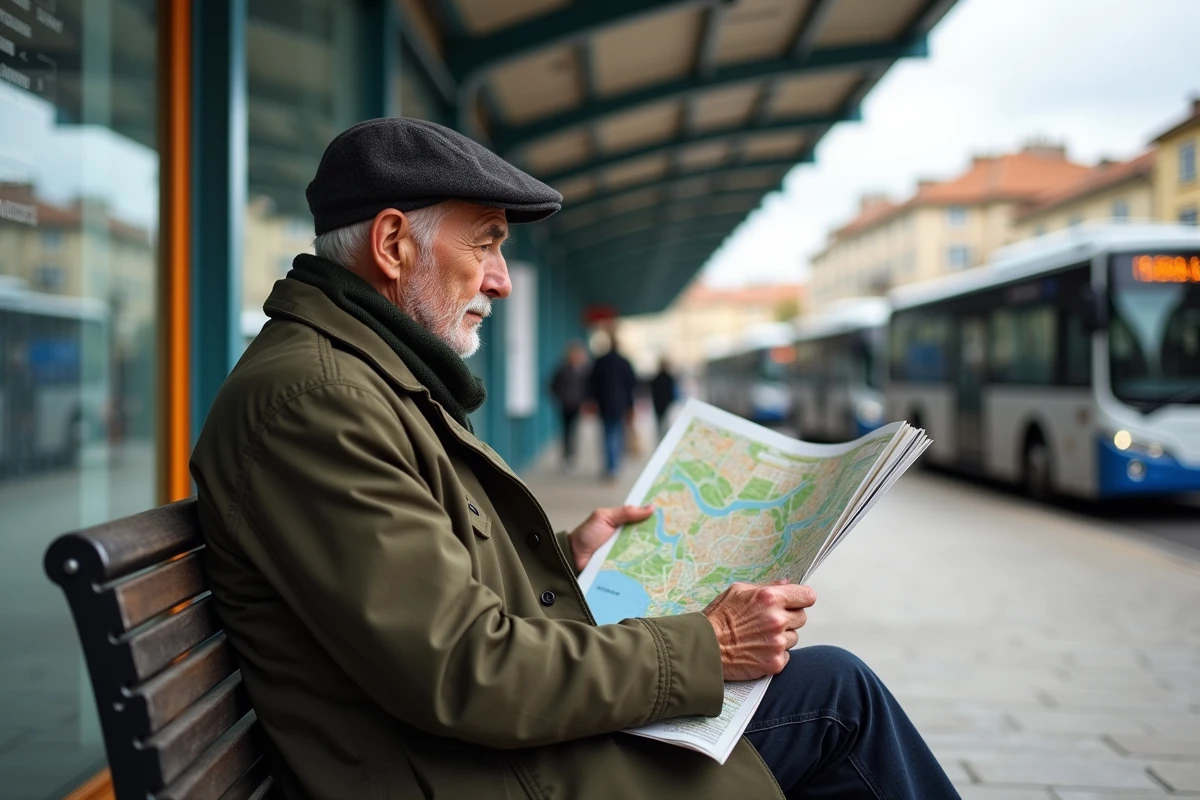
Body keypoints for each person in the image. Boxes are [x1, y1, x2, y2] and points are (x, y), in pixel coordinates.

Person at [190, 118, 958, 800]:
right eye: (486, 242)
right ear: (393, 244)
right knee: (841, 707)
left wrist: (567, 556)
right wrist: (709, 644)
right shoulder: (317, 402)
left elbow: (413, 605)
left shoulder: (354, 377)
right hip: (480, 772)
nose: (500, 280)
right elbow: (465, 672)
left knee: (835, 688)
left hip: (491, 754)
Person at [586, 331, 638, 481]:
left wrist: (591, 401)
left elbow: (592, 384)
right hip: (621, 405)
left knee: (607, 435)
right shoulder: (625, 362)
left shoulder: (600, 362)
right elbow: (632, 386)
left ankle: (610, 467)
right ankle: (615, 466)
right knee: (618, 434)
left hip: (604, 404)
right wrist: (630, 406)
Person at [549, 341, 589, 468]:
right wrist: (560, 398)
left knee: (575, 430)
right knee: (566, 431)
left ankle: (573, 455)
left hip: (578, 405)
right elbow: (553, 385)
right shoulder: (562, 369)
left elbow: (588, 388)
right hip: (565, 405)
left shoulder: (584, 370)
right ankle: (566, 455)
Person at [650, 356, 678, 440]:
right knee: (665, 423)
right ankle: (665, 438)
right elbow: (671, 392)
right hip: (666, 403)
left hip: (658, 404)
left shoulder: (656, 378)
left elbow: (653, 391)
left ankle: (660, 438)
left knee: (659, 423)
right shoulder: (669, 377)